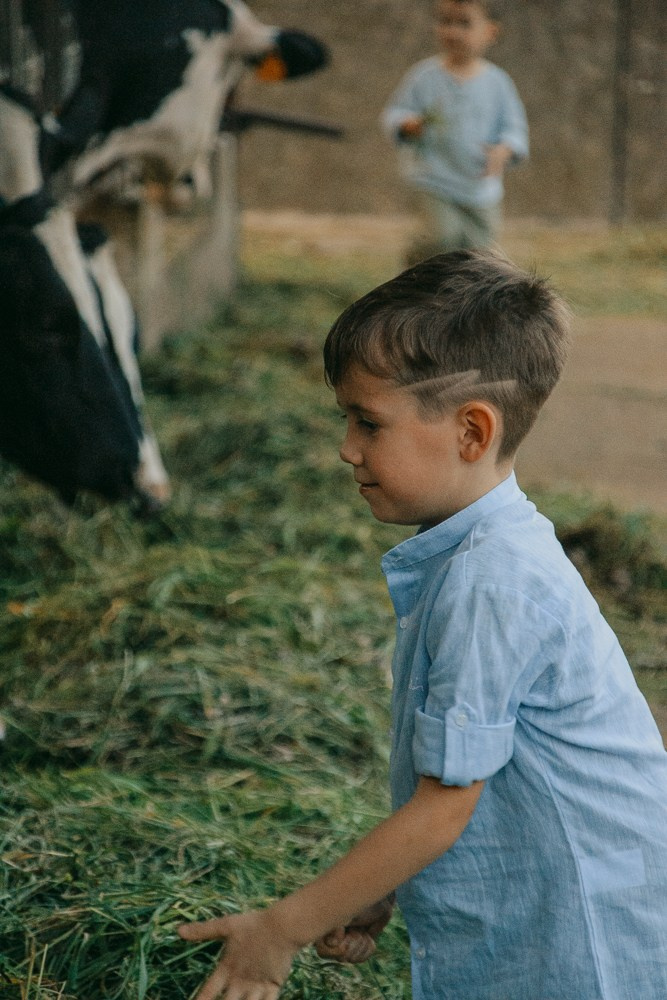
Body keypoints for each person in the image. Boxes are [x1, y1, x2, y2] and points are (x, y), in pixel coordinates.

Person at [178, 249, 667, 1000]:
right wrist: (380, 888)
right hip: (537, 906)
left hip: (580, 932)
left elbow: (444, 806)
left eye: (366, 422)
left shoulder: (489, 580)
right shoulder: (470, 555)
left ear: (471, 432)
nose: (346, 449)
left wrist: (282, 930)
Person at [381, 0, 528, 262]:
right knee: (442, 236)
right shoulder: (424, 76)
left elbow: (515, 129)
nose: (453, 32)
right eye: (445, 22)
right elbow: (394, 113)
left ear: (490, 32)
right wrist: (407, 124)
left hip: (480, 188)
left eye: (464, 23)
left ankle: (460, 300)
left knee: (481, 253)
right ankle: (413, 276)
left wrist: (504, 150)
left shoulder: (498, 83)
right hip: (433, 178)